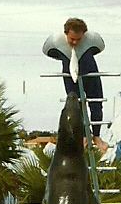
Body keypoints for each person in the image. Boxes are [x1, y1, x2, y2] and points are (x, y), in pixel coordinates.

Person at [42, 18, 108, 152]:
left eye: (79, 39)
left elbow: (100, 48)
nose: (75, 42)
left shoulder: (92, 40)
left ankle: (96, 136)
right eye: (72, 39)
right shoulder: (55, 41)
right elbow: (47, 51)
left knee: (96, 103)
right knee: (76, 105)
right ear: (66, 33)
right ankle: (85, 134)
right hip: (70, 76)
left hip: (90, 73)